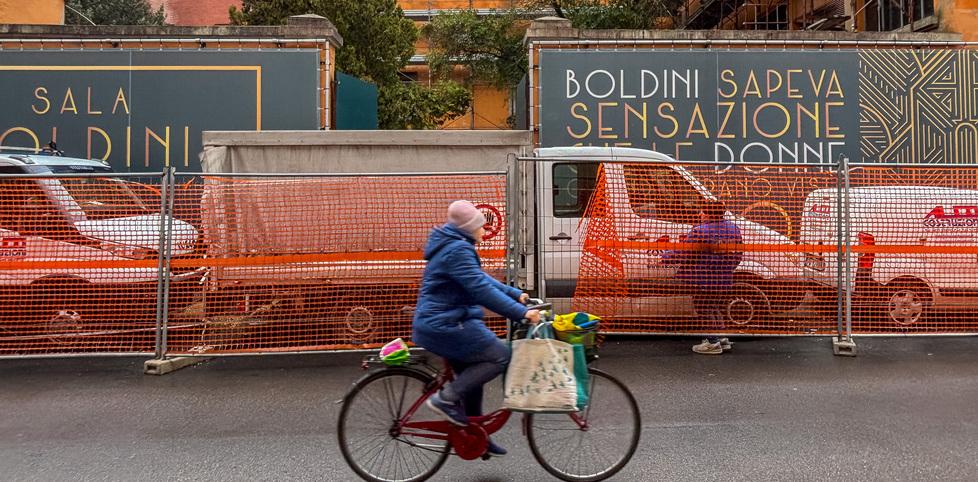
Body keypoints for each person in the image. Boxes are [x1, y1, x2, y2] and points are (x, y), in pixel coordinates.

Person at [412, 200, 541, 457]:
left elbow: (479, 278)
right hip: (446, 324)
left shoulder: (455, 245)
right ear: (470, 227)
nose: (484, 230)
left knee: (474, 376)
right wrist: (521, 314)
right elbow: (479, 290)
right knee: (499, 355)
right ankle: (446, 399)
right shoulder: (458, 249)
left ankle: (476, 433)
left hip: (448, 320)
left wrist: (516, 295)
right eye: (481, 225)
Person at [662, 199, 743, 355]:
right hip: (724, 277)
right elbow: (738, 254)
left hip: (703, 278)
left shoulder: (700, 231)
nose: (699, 214)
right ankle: (721, 338)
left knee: (703, 307)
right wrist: (727, 269)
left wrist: (665, 257)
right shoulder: (734, 229)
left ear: (709, 214)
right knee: (713, 306)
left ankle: (712, 343)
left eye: (702, 211)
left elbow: (684, 252)